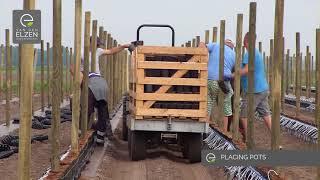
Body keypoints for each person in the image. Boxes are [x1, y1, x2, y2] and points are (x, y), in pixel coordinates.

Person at [71, 37, 131, 146]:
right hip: (89, 80)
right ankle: (88, 134)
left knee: (94, 108)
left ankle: (96, 136)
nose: (98, 46)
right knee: (92, 109)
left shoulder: (98, 51)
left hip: (97, 80)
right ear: (90, 43)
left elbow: (111, 51)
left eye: (99, 45)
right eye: (97, 44)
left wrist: (124, 46)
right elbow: (72, 68)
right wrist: (80, 80)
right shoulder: (81, 53)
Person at [235, 32, 272, 142]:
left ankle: (249, 139)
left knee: (244, 116)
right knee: (266, 115)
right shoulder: (256, 52)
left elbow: (247, 70)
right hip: (263, 88)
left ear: (246, 42)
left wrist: (235, 74)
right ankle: (276, 140)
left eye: (244, 42)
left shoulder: (249, 53)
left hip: (254, 90)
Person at [199, 39, 236, 133]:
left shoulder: (216, 45)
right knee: (227, 102)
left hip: (209, 79)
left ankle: (205, 128)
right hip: (222, 81)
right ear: (232, 47)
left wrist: (205, 60)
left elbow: (202, 44)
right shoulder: (234, 55)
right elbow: (233, 72)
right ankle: (225, 131)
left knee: (208, 103)